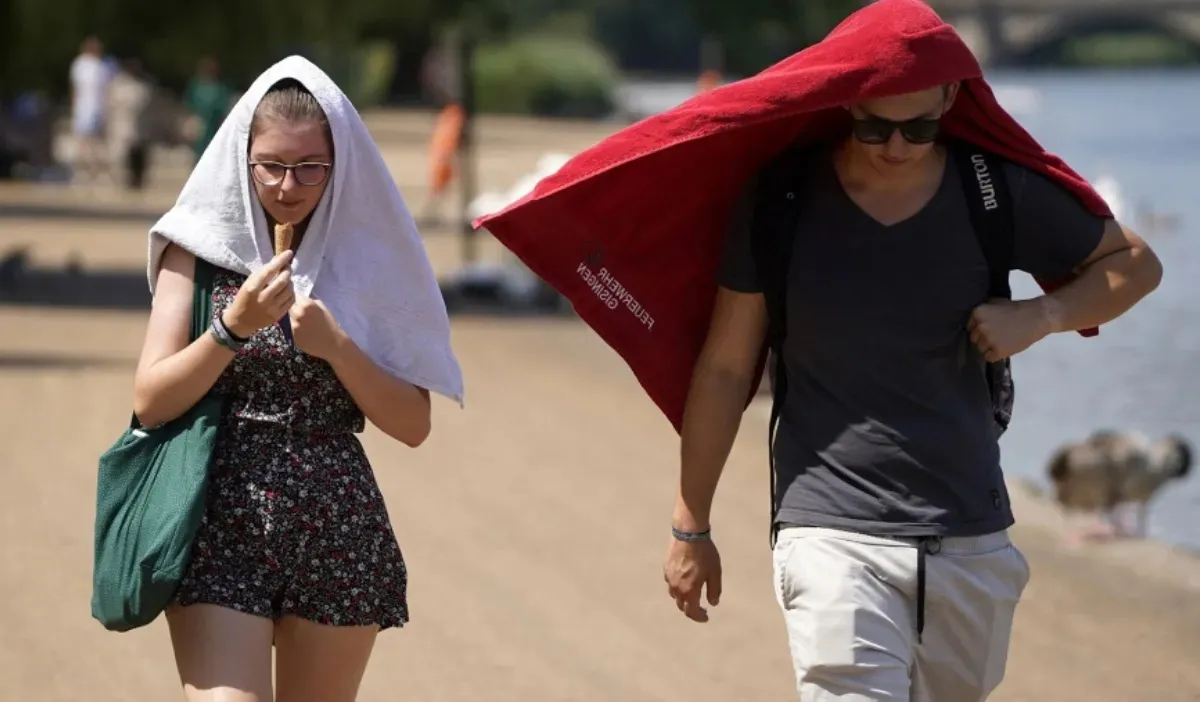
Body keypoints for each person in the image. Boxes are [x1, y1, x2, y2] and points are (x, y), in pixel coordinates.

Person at [471, 1, 1162, 699]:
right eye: (876, 125)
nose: (896, 146)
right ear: (849, 99)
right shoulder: (783, 199)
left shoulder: (994, 192)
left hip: (969, 535)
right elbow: (725, 368)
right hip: (829, 530)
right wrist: (690, 526)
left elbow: (1135, 265)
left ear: (951, 99)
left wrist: (1042, 314)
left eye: (919, 127)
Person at [133, 56, 463, 702]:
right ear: (242, 158)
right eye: (272, 165)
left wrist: (338, 348)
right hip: (218, 513)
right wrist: (233, 326)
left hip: (338, 523)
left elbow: (413, 425)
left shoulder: (366, 260)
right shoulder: (197, 247)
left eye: (311, 167)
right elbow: (150, 401)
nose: (288, 186)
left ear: (340, 165)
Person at [69, 36, 113, 183]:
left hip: (98, 108)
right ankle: (83, 172)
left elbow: (106, 90)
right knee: (83, 143)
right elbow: (76, 89)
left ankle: (100, 173)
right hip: (83, 109)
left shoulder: (102, 66)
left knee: (99, 144)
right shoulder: (80, 65)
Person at [183, 56, 234, 164]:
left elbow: (223, 109)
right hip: (198, 126)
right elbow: (189, 106)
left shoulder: (220, 89)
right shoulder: (195, 87)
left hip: (214, 126)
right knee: (198, 153)